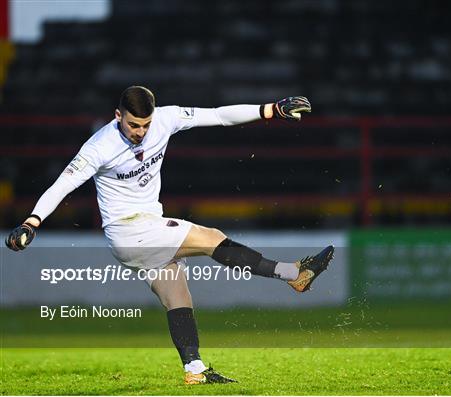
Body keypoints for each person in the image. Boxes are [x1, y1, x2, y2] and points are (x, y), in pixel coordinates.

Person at [5, 86, 334, 385]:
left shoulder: (166, 119)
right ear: (118, 116)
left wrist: (270, 109)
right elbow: (63, 184)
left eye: (145, 125)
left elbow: (218, 115)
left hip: (144, 231)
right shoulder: (99, 146)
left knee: (178, 296)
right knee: (210, 237)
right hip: (129, 231)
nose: (140, 132)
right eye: (133, 125)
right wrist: (32, 221)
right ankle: (293, 274)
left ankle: (195, 370)